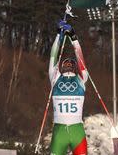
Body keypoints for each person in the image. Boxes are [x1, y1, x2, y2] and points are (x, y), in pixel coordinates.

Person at [49, 22, 89, 155]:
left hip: (61, 131)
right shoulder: (81, 79)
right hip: (76, 131)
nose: (68, 65)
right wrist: (73, 37)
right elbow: (80, 59)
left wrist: (58, 36)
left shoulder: (55, 78)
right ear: (75, 68)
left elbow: (53, 56)